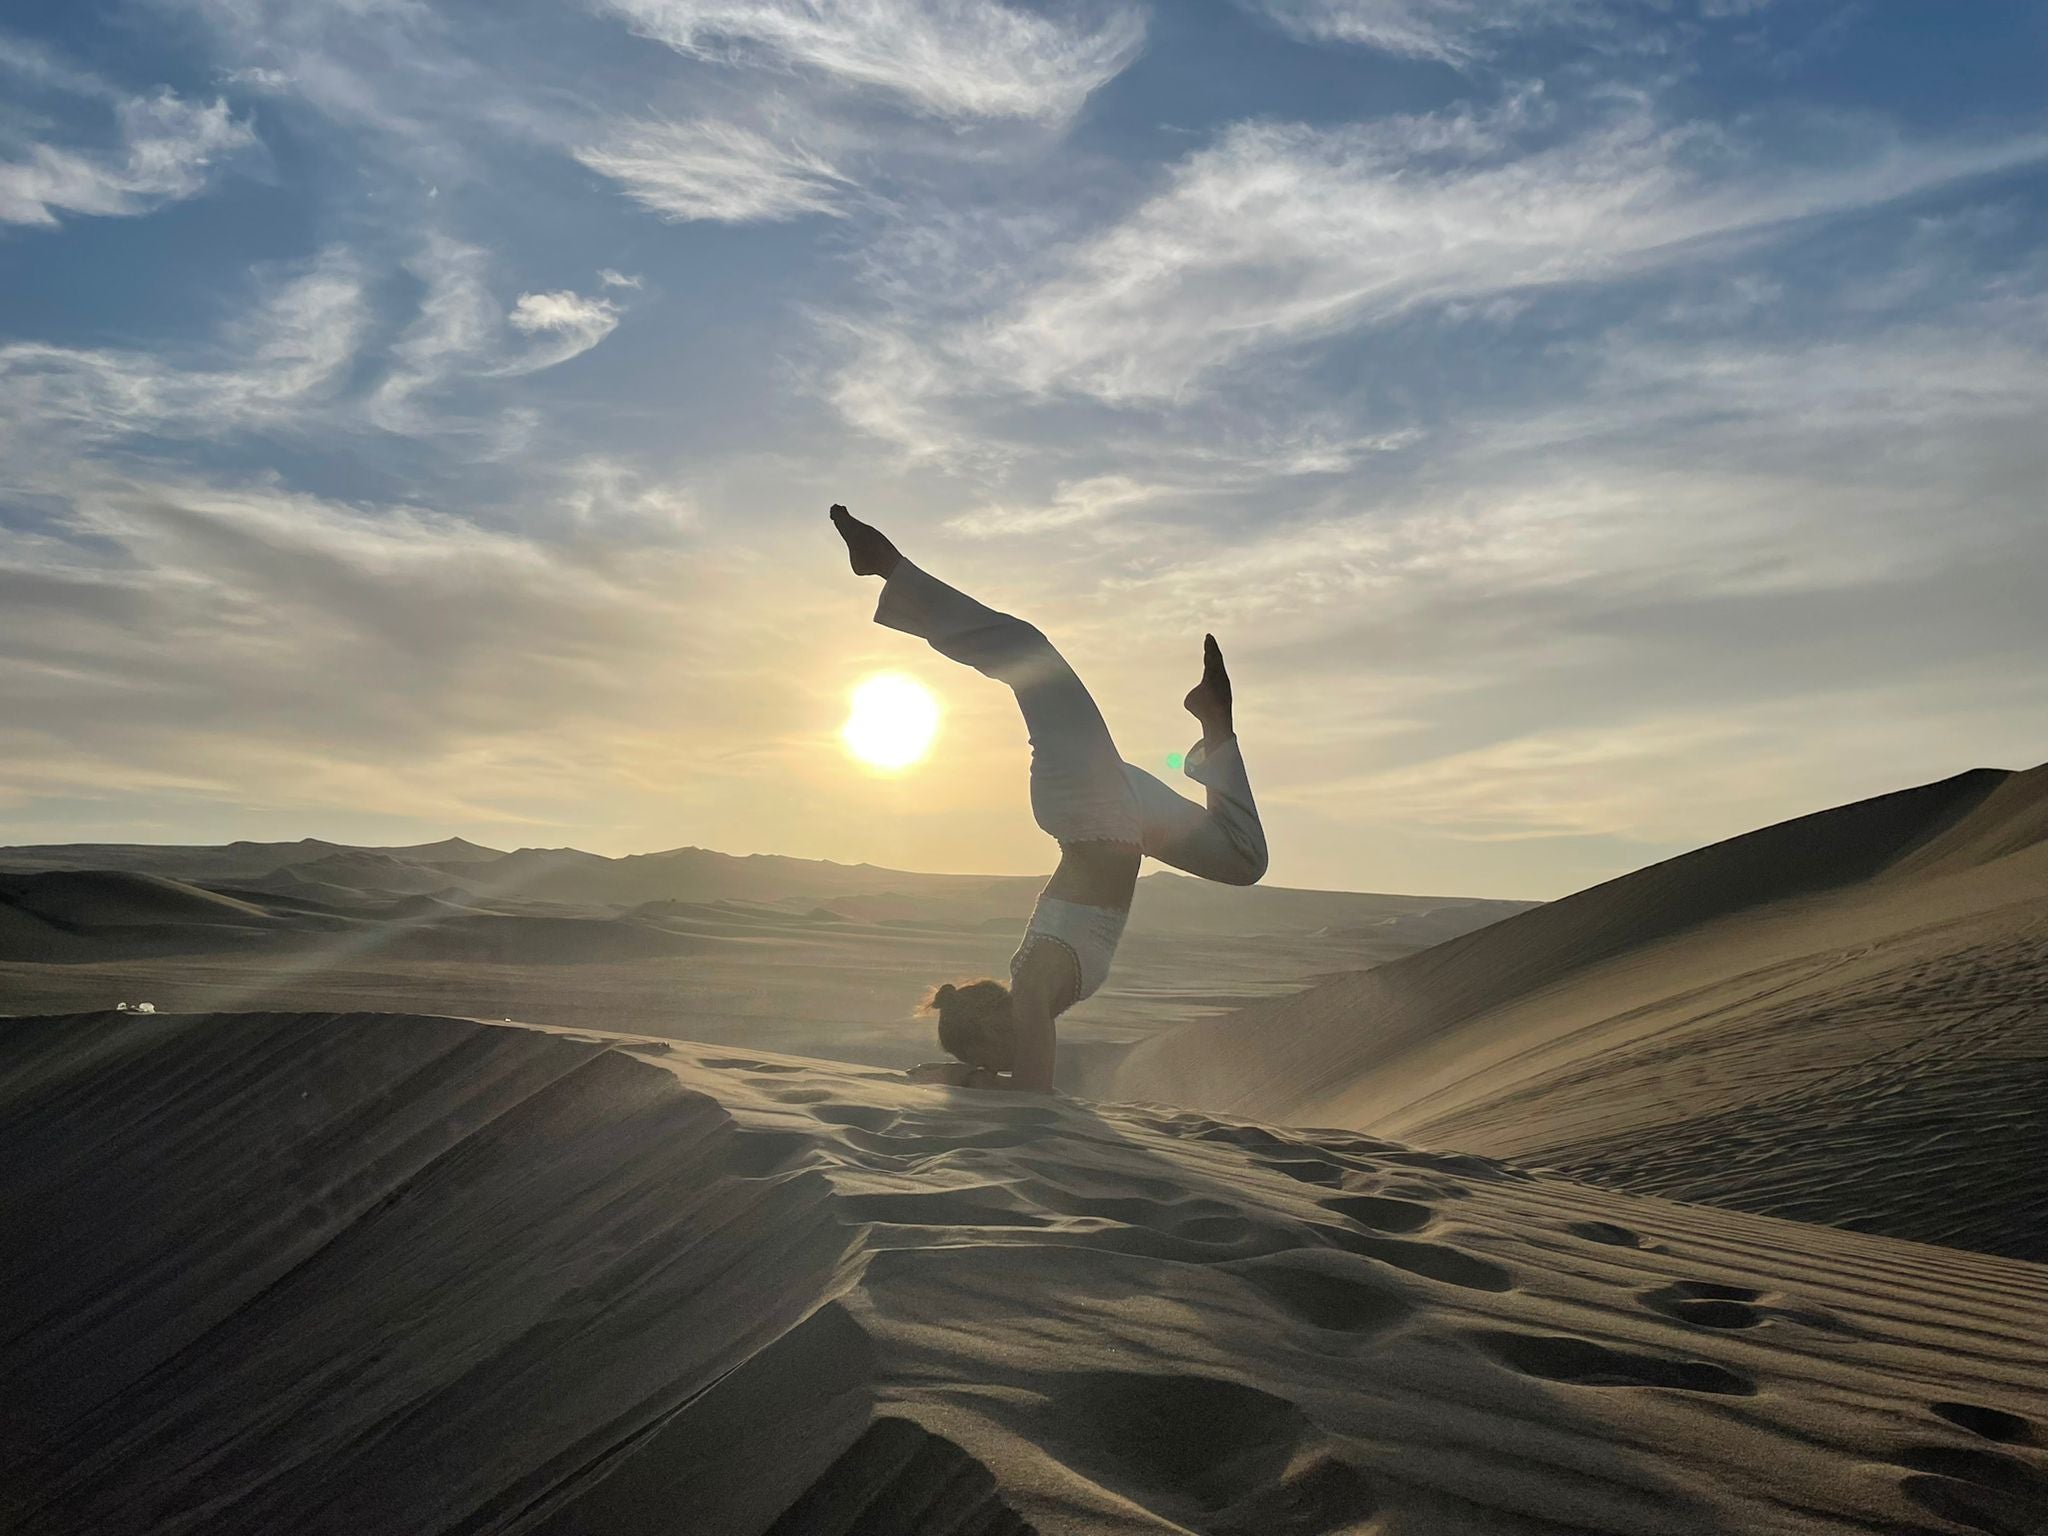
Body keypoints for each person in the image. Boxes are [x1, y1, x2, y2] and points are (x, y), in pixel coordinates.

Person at [831, 504, 1268, 1094]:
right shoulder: (1042, 995)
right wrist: (967, 1074)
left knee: (1030, 656)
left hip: (1090, 811)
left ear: (993, 1034)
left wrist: (956, 1078)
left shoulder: (1034, 992)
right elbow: (1030, 1084)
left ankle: (887, 568)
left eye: (997, 1053)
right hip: (1127, 818)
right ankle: (1214, 724)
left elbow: (1030, 1090)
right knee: (1244, 861)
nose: (1022, 1053)